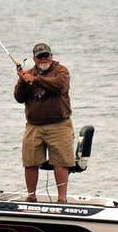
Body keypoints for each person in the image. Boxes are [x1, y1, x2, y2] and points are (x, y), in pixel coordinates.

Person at [14, 41, 73, 202]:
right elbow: (19, 98)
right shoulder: (29, 73)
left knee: (61, 162)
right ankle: (31, 197)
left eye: (46, 56)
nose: (43, 59)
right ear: (34, 59)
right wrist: (22, 80)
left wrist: (35, 79)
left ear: (51, 56)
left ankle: (62, 199)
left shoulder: (61, 71)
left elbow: (59, 87)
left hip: (59, 125)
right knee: (30, 162)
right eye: (39, 57)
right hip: (34, 126)